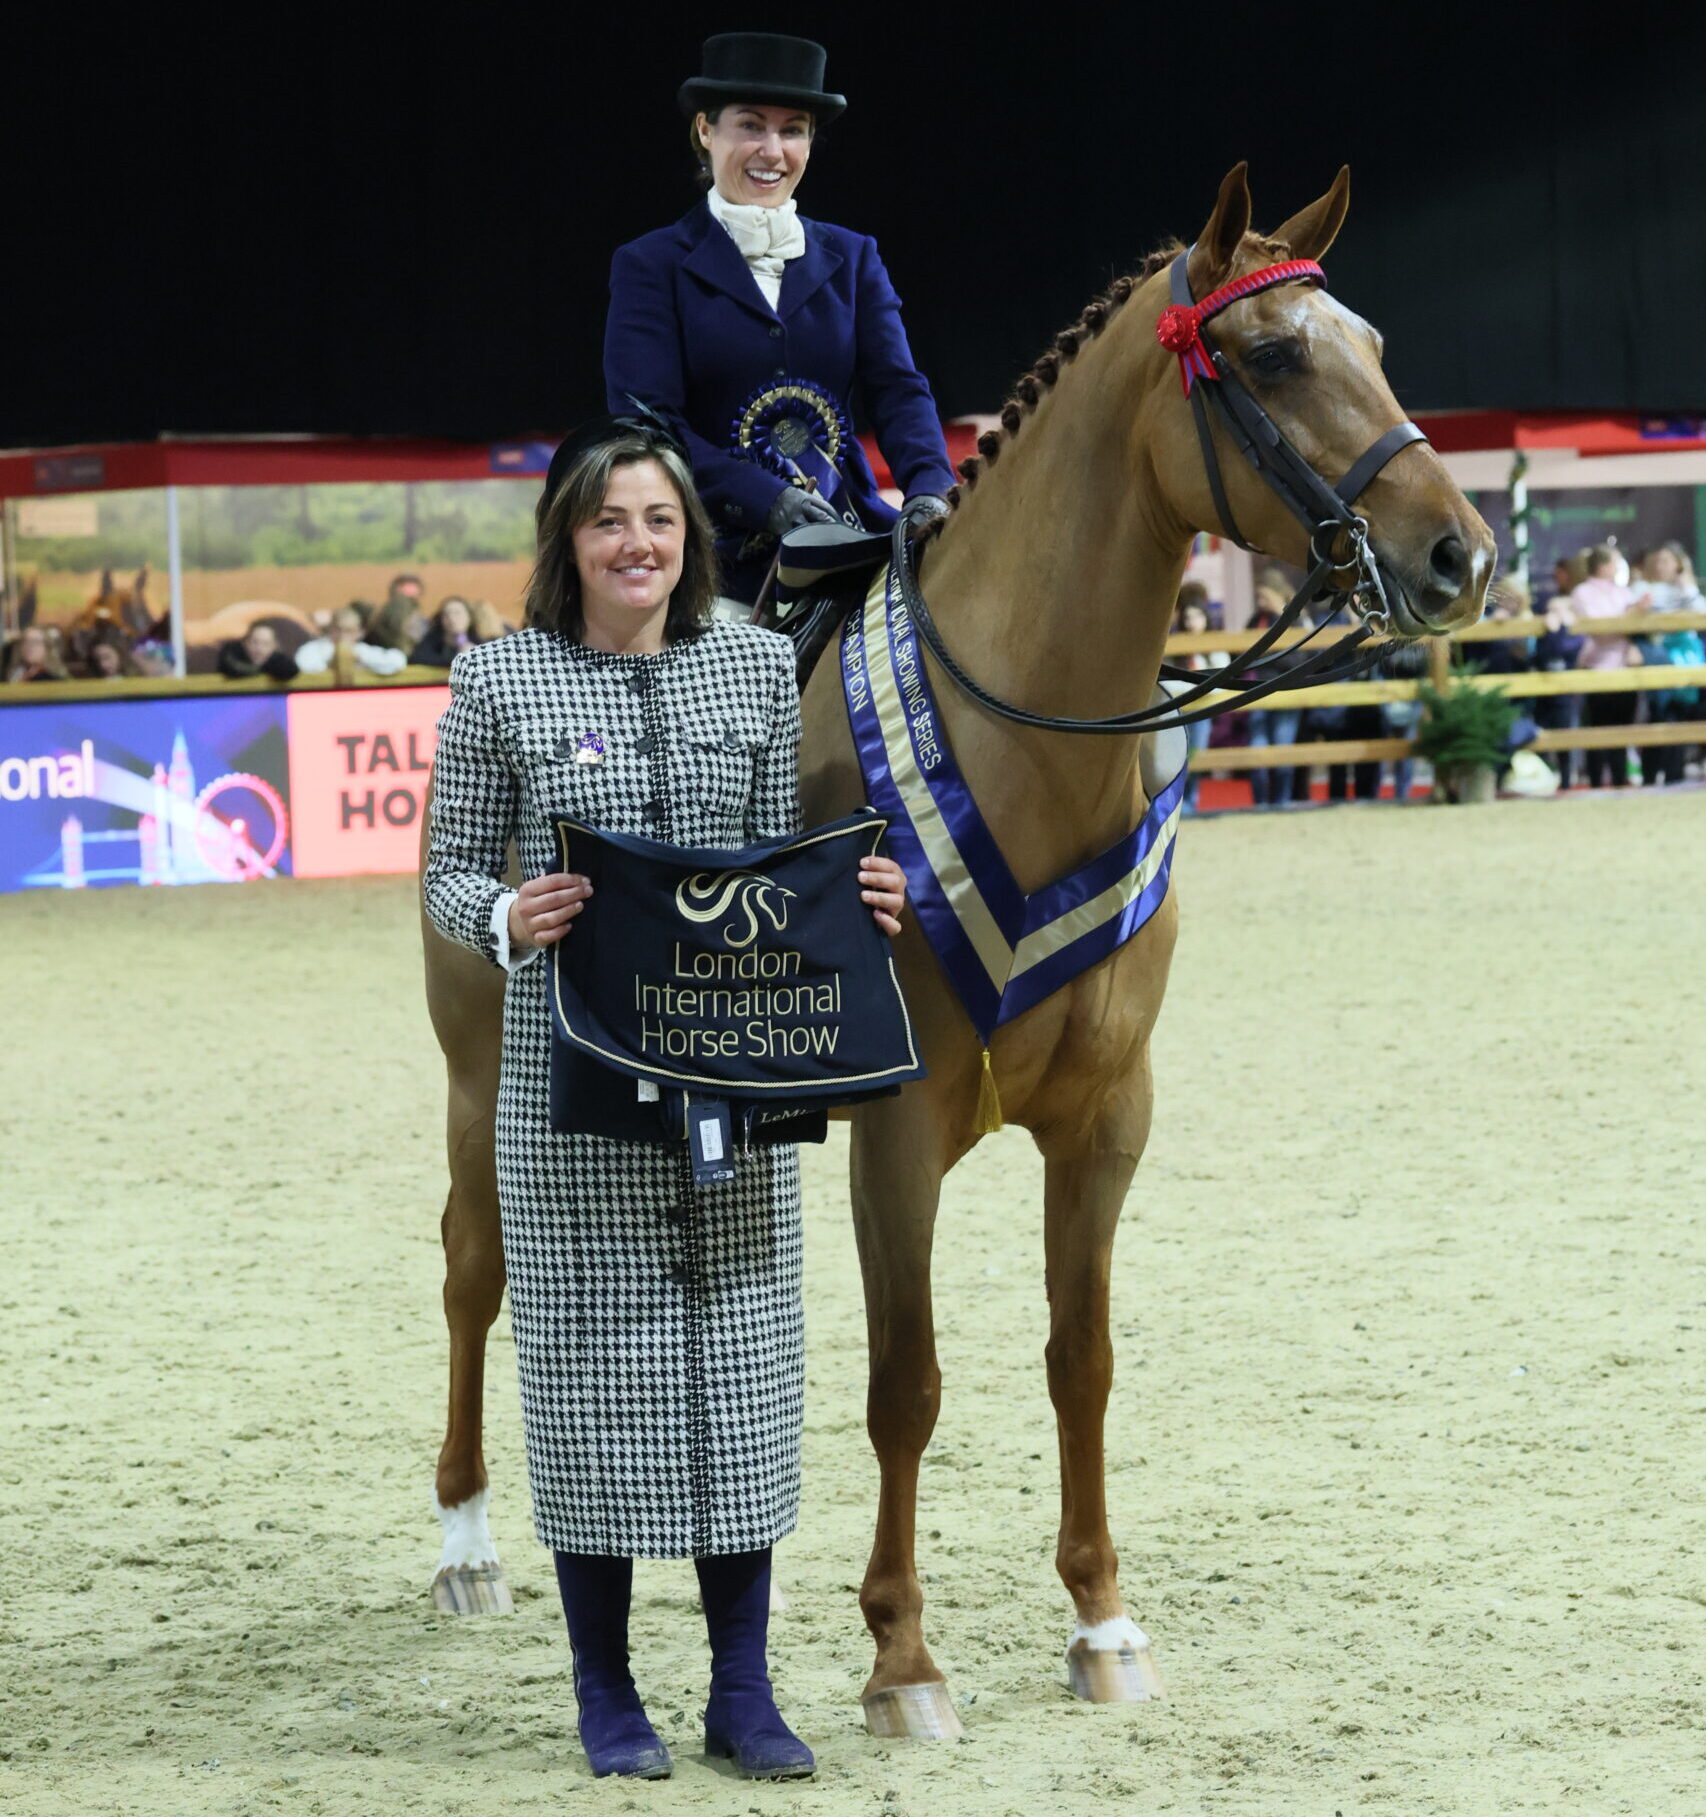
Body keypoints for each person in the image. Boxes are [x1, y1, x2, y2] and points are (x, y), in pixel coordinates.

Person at [422, 414, 907, 1784]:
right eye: (608, 521)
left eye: (660, 521)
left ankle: (742, 1692)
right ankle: (605, 1688)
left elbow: (773, 860)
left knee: (742, 1377)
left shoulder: (757, 669)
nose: (636, 544)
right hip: (563, 1089)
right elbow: (448, 875)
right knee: (587, 1384)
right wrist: (508, 909)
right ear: (566, 540)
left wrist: (855, 901)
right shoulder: (498, 682)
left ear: (688, 539)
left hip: (729, 1076)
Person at [603, 32, 957, 606]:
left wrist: (929, 487)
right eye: (751, 125)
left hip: (851, 539)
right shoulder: (651, 265)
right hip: (717, 563)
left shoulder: (855, 256)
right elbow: (647, 425)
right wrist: (767, 501)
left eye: (793, 130)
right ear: (704, 130)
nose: (773, 150)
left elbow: (898, 390)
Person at [1630, 544, 1705, 786]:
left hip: (1690, 660)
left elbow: (1701, 611)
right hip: (1659, 656)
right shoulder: (1643, 589)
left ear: (1679, 564)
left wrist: (1685, 585)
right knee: (1660, 716)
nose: (1661, 566)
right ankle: (1651, 777)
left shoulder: (1687, 589)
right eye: (1658, 560)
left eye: (1667, 561)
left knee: (1685, 717)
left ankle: (1676, 776)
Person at [1569, 544, 1642, 788]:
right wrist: (1630, 619)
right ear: (1603, 565)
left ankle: (1621, 782)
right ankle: (1597, 783)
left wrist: (1634, 621)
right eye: (1615, 562)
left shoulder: (1623, 592)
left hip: (1623, 666)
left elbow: (1627, 628)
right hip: (1596, 667)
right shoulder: (1583, 592)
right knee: (1598, 729)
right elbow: (1599, 631)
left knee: (1622, 729)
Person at [1240, 579, 1306, 808]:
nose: (1260, 602)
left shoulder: (1295, 621)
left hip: (1285, 693)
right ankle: (1260, 802)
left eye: (1264, 597)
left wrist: (1265, 653)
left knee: (1282, 748)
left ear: (1278, 595)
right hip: (1256, 693)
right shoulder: (1255, 621)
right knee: (1256, 750)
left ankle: (1281, 801)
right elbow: (1240, 654)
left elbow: (1299, 659)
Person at [1169, 588, 1226, 813]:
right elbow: (1168, 683)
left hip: (1202, 714)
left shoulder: (1214, 645)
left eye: (1197, 616)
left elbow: (1220, 682)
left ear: (1206, 618)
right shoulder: (1175, 645)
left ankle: (1192, 800)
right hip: (1179, 714)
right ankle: (1179, 804)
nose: (1192, 622)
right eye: (1188, 617)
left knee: (1197, 755)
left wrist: (1191, 688)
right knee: (1176, 758)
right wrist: (1198, 687)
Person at [295, 606, 408, 679]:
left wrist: (361, 659)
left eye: (349, 631)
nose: (343, 635)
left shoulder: (362, 650)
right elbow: (305, 666)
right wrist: (332, 662)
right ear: (330, 628)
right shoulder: (313, 649)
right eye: (338, 629)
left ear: (359, 633)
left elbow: (398, 661)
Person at [217, 621, 301, 682]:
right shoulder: (231, 656)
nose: (259, 649)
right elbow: (230, 670)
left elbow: (291, 671)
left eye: (266, 644)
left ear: (275, 646)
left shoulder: (278, 661)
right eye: (254, 642)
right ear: (245, 643)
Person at [411, 596, 475, 668]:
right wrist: (456, 660)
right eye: (446, 614)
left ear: (469, 617)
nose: (451, 618)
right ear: (441, 619)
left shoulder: (479, 641)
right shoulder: (431, 641)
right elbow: (418, 658)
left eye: (457, 613)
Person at [4, 624, 69, 682]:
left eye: (35, 642)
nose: (29, 646)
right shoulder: (13, 674)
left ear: (46, 647)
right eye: (26, 642)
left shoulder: (53, 679)